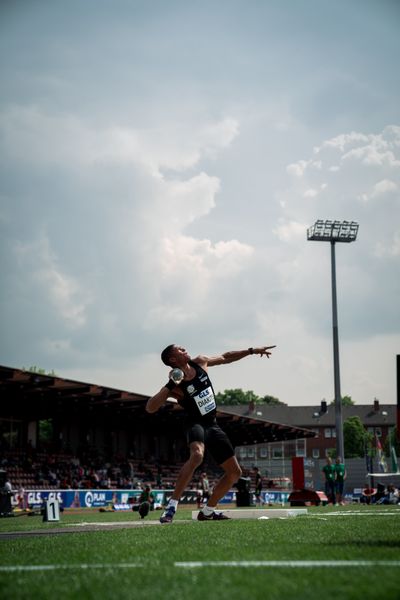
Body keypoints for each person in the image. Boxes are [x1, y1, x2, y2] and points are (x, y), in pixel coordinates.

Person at [146, 344, 275, 523]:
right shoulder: (176, 382)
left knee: (234, 473)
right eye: (180, 350)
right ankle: (171, 508)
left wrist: (251, 351)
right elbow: (150, 407)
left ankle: (207, 511)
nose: (185, 349)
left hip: (212, 425)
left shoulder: (200, 362)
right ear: (173, 359)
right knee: (197, 456)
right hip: (195, 423)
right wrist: (170, 385)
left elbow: (225, 357)